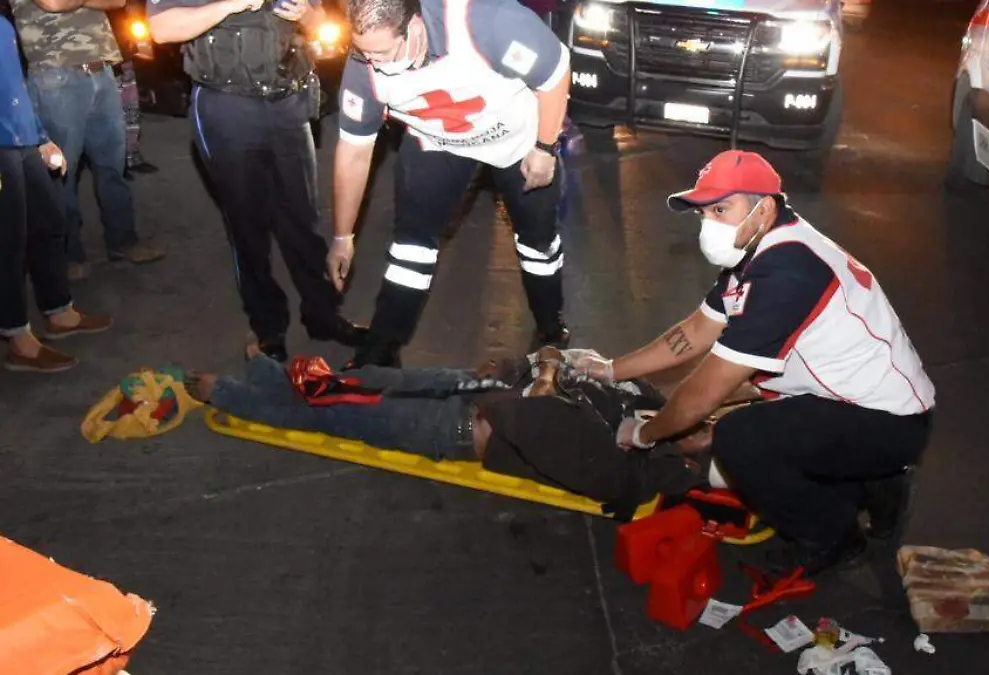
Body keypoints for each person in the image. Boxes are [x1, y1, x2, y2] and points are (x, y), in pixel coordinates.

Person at [569, 150, 937, 575]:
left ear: (762, 209)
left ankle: (833, 538)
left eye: (721, 210)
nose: (709, 224)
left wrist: (645, 434)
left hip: (888, 421)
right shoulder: (760, 251)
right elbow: (695, 333)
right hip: (860, 403)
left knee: (740, 441)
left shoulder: (787, 273)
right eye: (704, 212)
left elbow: (706, 391)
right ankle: (879, 484)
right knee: (742, 429)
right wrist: (610, 369)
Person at [331, 0, 572, 369]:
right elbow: (353, 153)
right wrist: (342, 235)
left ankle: (550, 327)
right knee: (410, 248)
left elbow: (554, 72)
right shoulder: (363, 67)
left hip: (518, 141)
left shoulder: (486, 21)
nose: (374, 64)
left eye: (383, 53)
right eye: (365, 53)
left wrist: (545, 147)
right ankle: (381, 349)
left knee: (538, 243)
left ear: (414, 26)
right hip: (438, 142)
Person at [189, 346, 717, 514]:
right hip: (473, 388)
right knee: (360, 378)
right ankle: (271, 376)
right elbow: (579, 362)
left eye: (705, 431)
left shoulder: (629, 475)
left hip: (458, 426)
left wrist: (546, 377)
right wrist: (539, 365)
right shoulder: (652, 407)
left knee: (340, 413)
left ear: (691, 459)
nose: (703, 420)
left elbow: (539, 421)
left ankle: (230, 394)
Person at [147, 0, 367, 362]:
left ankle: (323, 315)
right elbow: (161, 29)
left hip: (289, 101)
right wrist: (230, 4)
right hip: (226, 105)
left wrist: (308, 15)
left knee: (302, 220)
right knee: (247, 226)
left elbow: (322, 22)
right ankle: (268, 326)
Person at [10, 0, 165, 282]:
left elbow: (118, 1)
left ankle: (123, 240)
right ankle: (67, 253)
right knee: (60, 174)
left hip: (102, 70)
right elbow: (53, 3)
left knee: (113, 166)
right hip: (55, 73)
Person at [1, 14, 113, 372]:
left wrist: (40, 137)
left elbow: (14, 84)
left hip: (20, 136)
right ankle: (19, 339)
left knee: (48, 223)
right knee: (8, 243)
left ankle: (59, 312)